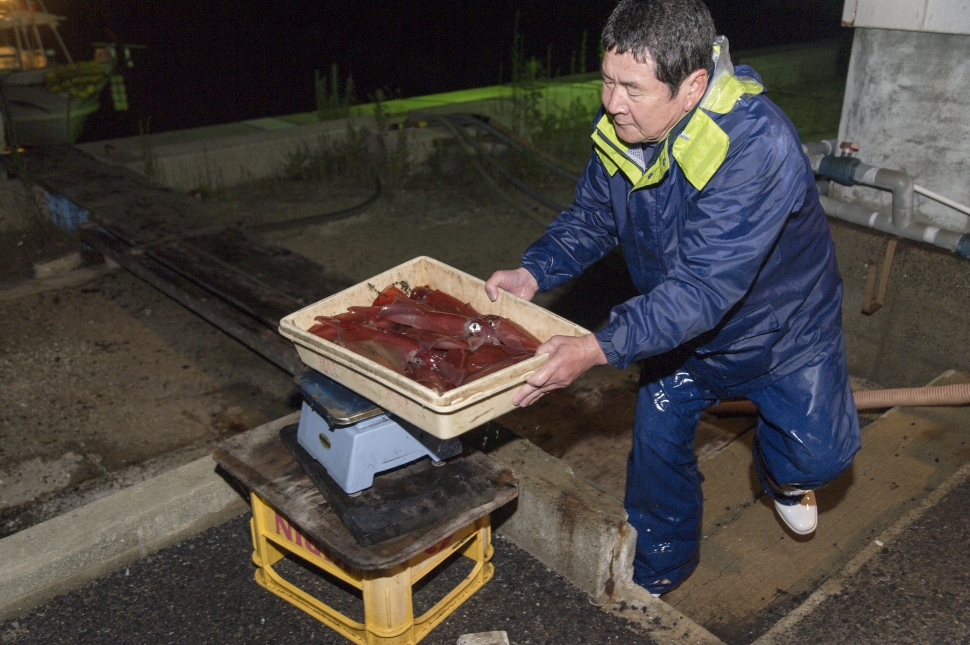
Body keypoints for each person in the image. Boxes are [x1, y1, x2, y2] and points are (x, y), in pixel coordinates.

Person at [485, 0, 861, 597]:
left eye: (632, 88)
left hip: (782, 332)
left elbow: (705, 288)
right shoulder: (628, 128)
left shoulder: (758, 148)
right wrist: (533, 272)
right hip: (679, 334)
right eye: (607, 81)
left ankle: (787, 477)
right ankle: (659, 568)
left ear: (692, 87)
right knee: (657, 448)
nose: (611, 103)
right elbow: (592, 216)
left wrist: (596, 346)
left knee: (818, 456)